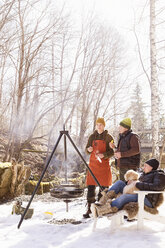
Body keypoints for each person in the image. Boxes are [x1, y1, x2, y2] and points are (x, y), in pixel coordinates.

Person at [91, 158, 165, 217]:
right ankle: (102, 202)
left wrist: (138, 184)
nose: (143, 167)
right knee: (120, 183)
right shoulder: (144, 175)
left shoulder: (159, 175)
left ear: (151, 167)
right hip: (138, 193)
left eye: (146, 166)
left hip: (147, 200)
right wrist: (129, 183)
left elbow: (158, 187)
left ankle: (101, 210)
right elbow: (138, 184)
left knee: (125, 197)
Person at [83, 117, 114, 218]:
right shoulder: (92, 136)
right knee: (91, 187)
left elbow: (112, 152)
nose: (99, 126)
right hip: (93, 165)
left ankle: (101, 208)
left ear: (104, 126)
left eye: (100, 124)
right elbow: (86, 150)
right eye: (97, 124)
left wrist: (104, 155)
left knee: (103, 188)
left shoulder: (109, 137)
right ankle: (90, 208)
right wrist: (89, 149)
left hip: (104, 166)